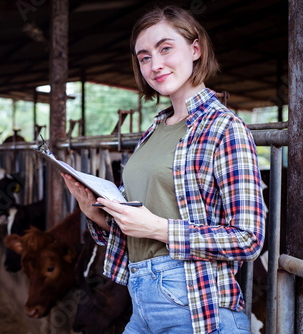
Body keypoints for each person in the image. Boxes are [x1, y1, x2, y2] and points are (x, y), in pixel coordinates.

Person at [62, 5, 265, 334]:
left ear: (195, 49)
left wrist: (160, 228)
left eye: (165, 48)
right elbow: (141, 227)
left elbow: (248, 239)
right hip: (140, 297)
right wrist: (98, 214)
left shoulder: (224, 127)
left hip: (196, 305)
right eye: (144, 57)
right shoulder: (152, 131)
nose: (154, 65)